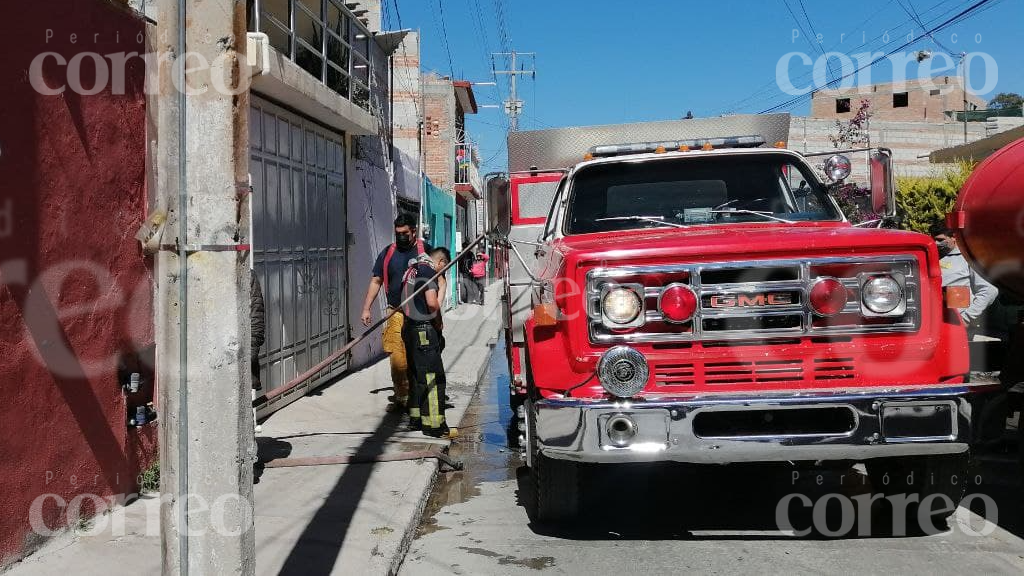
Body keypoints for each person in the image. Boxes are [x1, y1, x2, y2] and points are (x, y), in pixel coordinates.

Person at [361, 214, 431, 411]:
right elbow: (376, 281)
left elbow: (439, 280)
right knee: (397, 358)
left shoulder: (425, 251)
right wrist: (366, 308)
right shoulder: (388, 253)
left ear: (414, 232)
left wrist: (435, 310)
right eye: (397, 233)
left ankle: (418, 395)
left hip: (419, 314)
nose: (400, 237)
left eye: (404, 233)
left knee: (417, 356)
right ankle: (402, 398)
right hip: (395, 312)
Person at [400, 252, 451, 437]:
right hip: (424, 331)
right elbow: (432, 303)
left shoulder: (411, 271)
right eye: (444, 270)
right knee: (432, 378)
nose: (442, 275)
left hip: (409, 328)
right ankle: (434, 425)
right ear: (440, 262)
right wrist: (438, 323)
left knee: (416, 375)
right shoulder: (427, 271)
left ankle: (416, 419)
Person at [931, 222, 998, 331]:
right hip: (935, 323)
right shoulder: (932, 258)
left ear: (954, 237)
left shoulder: (968, 259)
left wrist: (966, 318)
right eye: (934, 239)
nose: (936, 243)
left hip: (958, 327)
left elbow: (989, 291)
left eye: (940, 240)